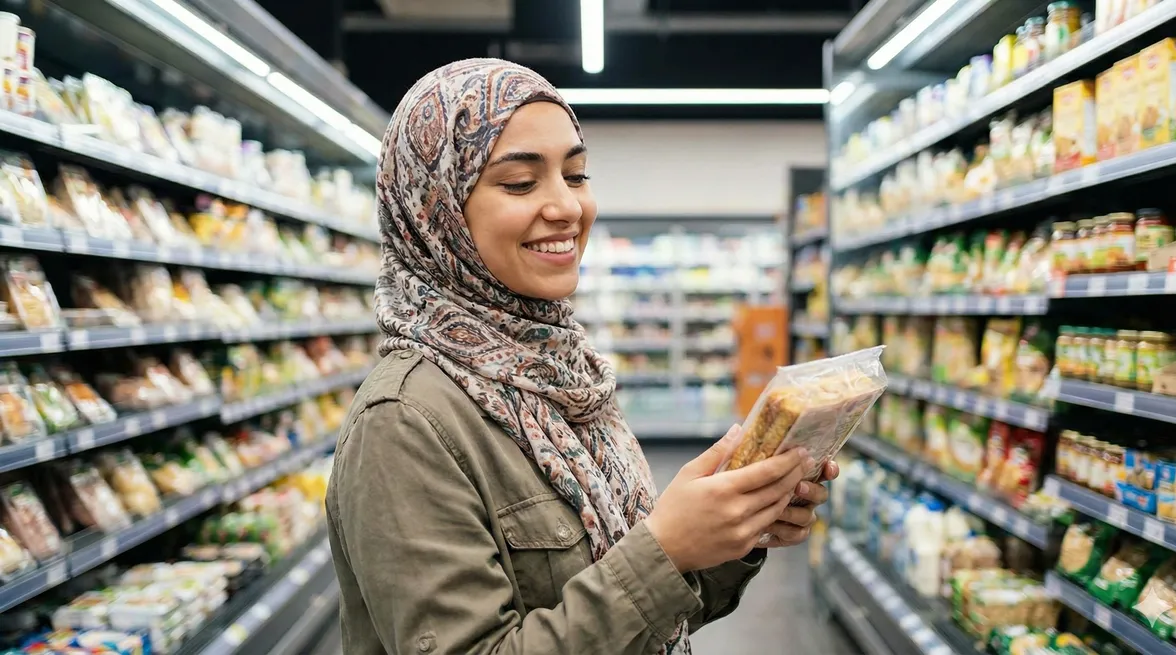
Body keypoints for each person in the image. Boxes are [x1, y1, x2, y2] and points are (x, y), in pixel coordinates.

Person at [326, 58, 838, 655]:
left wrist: (732, 527)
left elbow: (640, 621)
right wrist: (665, 550)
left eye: (576, 175)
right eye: (520, 182)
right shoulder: (403, 420)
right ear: (434, 211)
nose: (567, 207)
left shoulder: (562, 372)